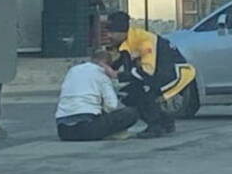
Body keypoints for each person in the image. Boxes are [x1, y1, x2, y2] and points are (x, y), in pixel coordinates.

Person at [105, 11, 196, 139]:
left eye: (111, 32)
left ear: (122, 32)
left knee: (145, 92)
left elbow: (148, 71)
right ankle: (166, 122)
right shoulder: (128, 40)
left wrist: (118, 76)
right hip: (158, 74)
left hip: (175, 73)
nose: (108, 36)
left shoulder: (144, 41)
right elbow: (124, 62)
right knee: (128, 95)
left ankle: (155, 126)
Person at [55, 50, 140, 141]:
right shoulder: (102, 74)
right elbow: (112, 105)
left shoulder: (73, 70)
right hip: (88, 128)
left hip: (64, 131)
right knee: (131, 113)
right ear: (107, 64)